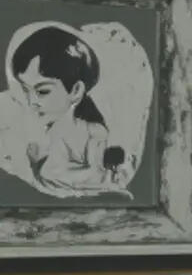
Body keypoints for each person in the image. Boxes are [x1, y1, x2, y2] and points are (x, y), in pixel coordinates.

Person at [8, 23, 136, 196]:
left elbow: (99, 175)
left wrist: (49, 172)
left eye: (42, 91)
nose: (32, 102)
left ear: (76, 91)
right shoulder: (46, 133)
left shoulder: (93, 132)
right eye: (26, 90)